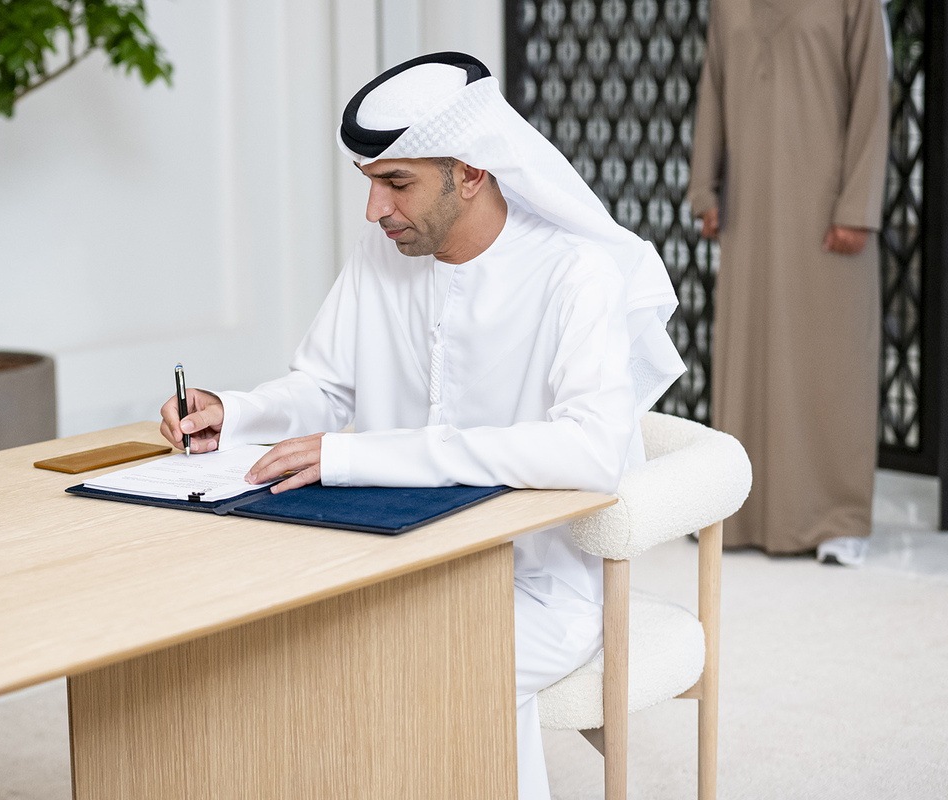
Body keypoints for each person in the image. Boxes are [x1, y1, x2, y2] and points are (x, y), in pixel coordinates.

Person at [161, 52, 684, 800]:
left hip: (538, 586)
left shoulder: (576, 272)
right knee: (252, 645)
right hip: (391, 559)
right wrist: (237, 413)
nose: (374, 210)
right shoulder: (383, 254)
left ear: (470, 172)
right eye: (369, 182)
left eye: (397, 183)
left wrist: (364, 457)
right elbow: (327, 387)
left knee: (431, 666)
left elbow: (591, 451)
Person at [688, 0, 890, 563]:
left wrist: (857, 206)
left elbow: (872, 96)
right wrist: (704, 187)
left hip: (825, 206)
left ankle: (837, 517)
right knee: (750, 355)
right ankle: (742, 511)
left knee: (831, 359)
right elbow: (714, 87)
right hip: (749, 205)